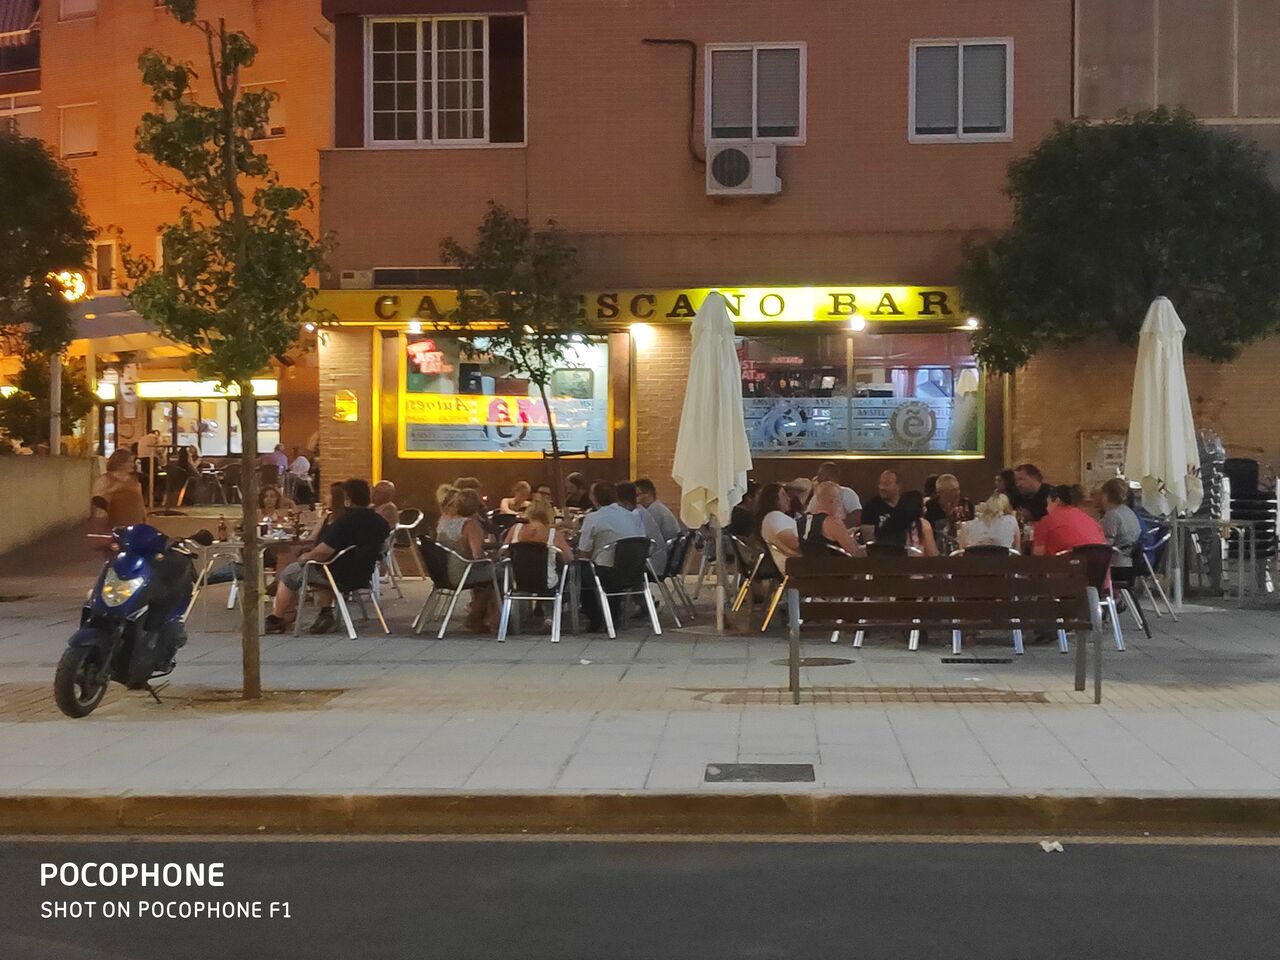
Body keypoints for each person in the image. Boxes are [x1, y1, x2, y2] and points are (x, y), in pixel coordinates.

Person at [266, 478, 390, 634]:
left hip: (338, 575)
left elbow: (323, 551)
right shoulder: (379, 522)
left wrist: (305, 557)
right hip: (363, 574)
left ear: (348, 499)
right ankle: (325, 614)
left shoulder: (344, 522)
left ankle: (277, 618)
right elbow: (383, 547)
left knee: (290, 573)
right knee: (323, 567)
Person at [576, 481, 645, 631]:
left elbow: (583, 551)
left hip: (608, 573)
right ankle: (613, 614)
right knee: (605, 565)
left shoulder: (593, 518)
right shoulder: (632, 515)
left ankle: (595, 618)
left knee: (581, 569)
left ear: (594, 498)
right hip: (635, 572)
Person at [434, 487, 497, 632]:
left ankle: (478, 616)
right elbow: (477, 557)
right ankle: (488, 619)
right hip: (461, 573)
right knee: (499, 574)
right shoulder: (470, 525)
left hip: (443, 573)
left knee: (486, 576)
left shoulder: (443, 521)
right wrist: (493, 557)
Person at [1033, 484, 1106, 556]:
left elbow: (1039, 555)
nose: (1046, 508)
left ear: (1057, 501)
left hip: (1068, 565)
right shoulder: (1090, 519)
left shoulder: (1047, 521)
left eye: (1047, 503)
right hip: (1100, 564)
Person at [796, 481, 861, 557]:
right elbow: (854, 551)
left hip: (806, 566)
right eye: (839, 500)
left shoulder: (800, 521)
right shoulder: (833, 523)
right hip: (832, 567)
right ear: (833, 501)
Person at [617, 481, 667, 573]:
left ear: (624, 502)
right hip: (656, 561)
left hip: (650, 565)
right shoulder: (641, 511)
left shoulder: (635, 516)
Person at [91, 449, 147, 528]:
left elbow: (140, 503)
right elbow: (98, 502)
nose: (132, 464)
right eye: (129, 462)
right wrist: (114, 490)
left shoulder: (133, 480)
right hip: (114, 525)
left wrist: (144, 520)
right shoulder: (105, 480)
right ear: (120, 463)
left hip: (135, 525)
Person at [754, 481, 802, 571]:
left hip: (796, 563)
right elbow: (795, 544)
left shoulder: (773, 517)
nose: (788, 499)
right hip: (796, 566)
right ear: (773, 499)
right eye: (783, 495)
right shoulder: (774, 517)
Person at [877, 490, 939, 556]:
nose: (925, 509)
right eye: (923, 505)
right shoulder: (922, 524)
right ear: (917, 507)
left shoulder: (887, 523)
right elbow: (933, 554)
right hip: (917, 564)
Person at [1098, 478, 1141, 568]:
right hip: (1129, 563)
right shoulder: (1129, 512)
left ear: (1106, 496)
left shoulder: (1112, 515)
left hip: (1115, 564)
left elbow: (1106, 544)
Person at [807, 462, 862, 528]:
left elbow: (857, 516)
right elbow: (809, 515)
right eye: (820, 475)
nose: (819, 478)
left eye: (823, 475)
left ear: (835, 477)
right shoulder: (816, 496)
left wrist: (836, 527)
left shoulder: (847, 493)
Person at [635, 478, 683, 551]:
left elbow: (646, 538)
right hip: (667, 550)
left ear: (648, 494)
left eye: (637, 495)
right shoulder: (655, 507)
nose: (634, 500)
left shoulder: (655, 512)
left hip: (664, 553)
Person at [860, 469, 902, 542]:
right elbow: (868, 539)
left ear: (898, 486)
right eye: (880, 484)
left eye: (887, 484)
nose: (882, 487)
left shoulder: (907, 505)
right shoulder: (871, 506)